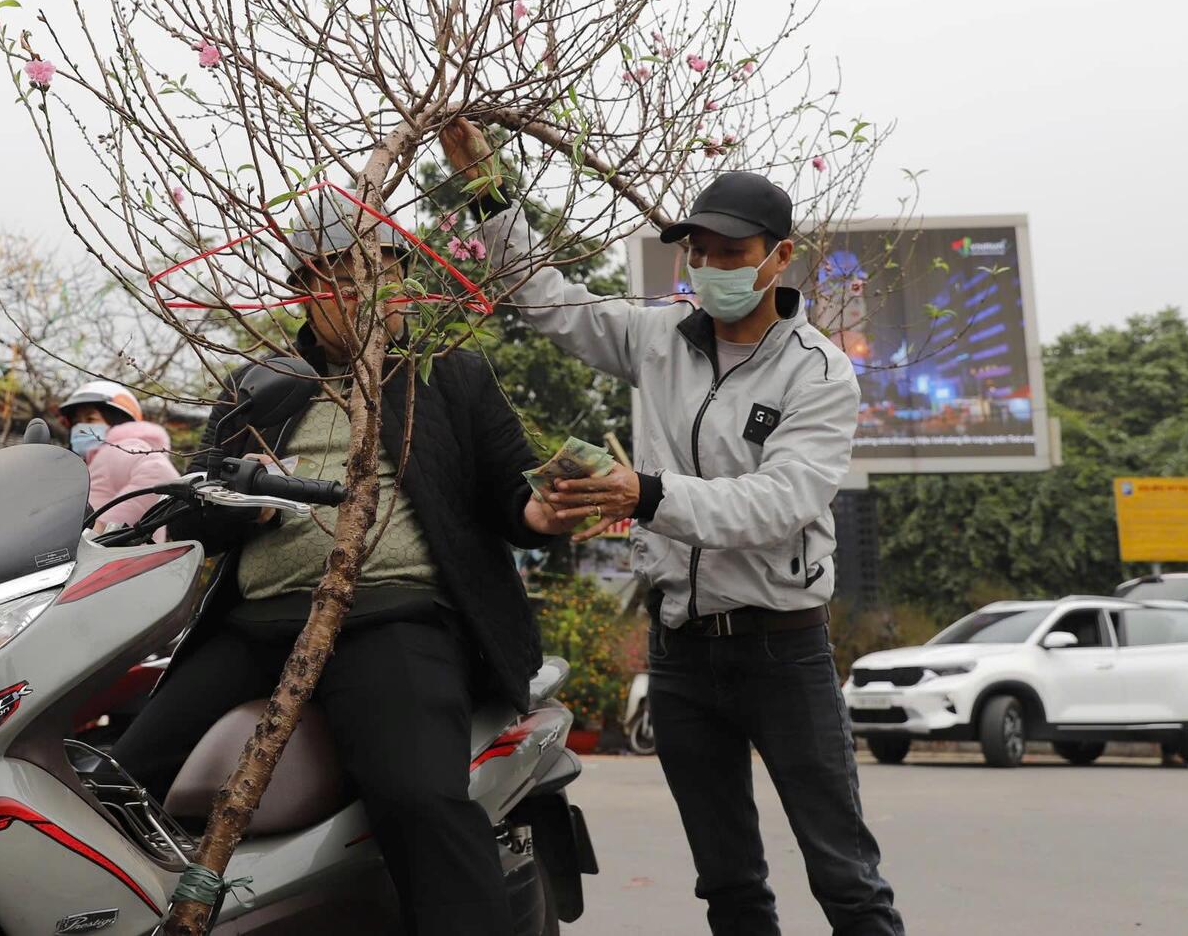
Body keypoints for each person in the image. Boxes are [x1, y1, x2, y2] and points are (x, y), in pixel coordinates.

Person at [444, 120, 905, 935]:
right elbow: (544, 299)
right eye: (700, 250)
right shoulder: (660, 336)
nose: (713, 267)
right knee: (728, 882)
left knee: (845, 875)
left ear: (779, 257)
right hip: (681, 650)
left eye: (733, 252)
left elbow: (779, 502)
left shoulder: (821, 372)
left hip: (782, 647)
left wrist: (646, 492)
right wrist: (487, 187)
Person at [111, 194, 577, 936]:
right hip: (257, 622)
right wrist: (243, 501)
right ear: (304, 291)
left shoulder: (450, 375)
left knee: (417, 795)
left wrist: (542, 513)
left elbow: (513, 488)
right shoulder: (258, 386)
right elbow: (194, 511)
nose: (367, 294)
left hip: (394, 614)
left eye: (381, 272)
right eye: (342, 279)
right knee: (122, 777)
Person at [58, 380, 181, 533]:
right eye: (76, 422)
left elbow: (161, 475)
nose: (80, 428)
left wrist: (103, 528)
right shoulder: (95, 461)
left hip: (113, 555)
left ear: (117, 419)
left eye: (90, 419)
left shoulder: (120, 449)